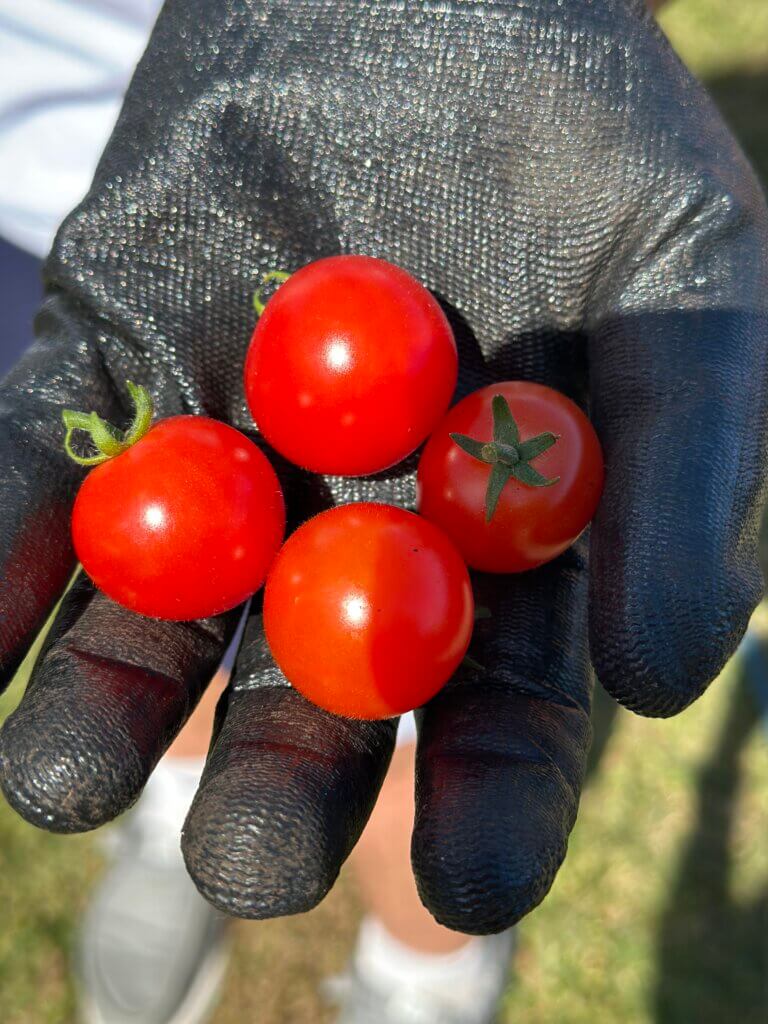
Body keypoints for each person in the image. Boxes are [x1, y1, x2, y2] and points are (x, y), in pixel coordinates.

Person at [0, 4, 765, 1024]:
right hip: (41, 184)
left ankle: (424, 974)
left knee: (423, 740)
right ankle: (169, 806)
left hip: (309, 151)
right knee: (140, 635)